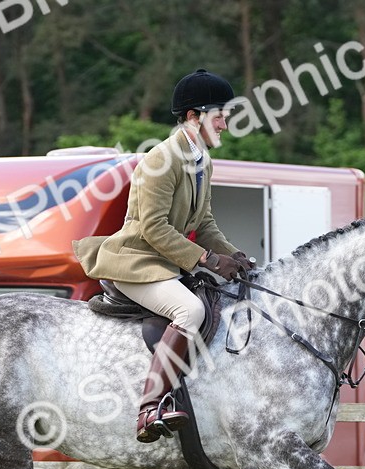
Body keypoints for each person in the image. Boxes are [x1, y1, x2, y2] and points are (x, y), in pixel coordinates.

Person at [73, 68, 252, 443]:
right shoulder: (161, 160)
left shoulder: (202, 160)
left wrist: (233, 254)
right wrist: (206, 260)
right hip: (135, 261)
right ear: (194, 116)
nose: (225, 123)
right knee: (191, 311)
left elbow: (203, 222)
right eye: (220, 114)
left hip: (164, 263)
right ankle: (150, 407)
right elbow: (154, 228)